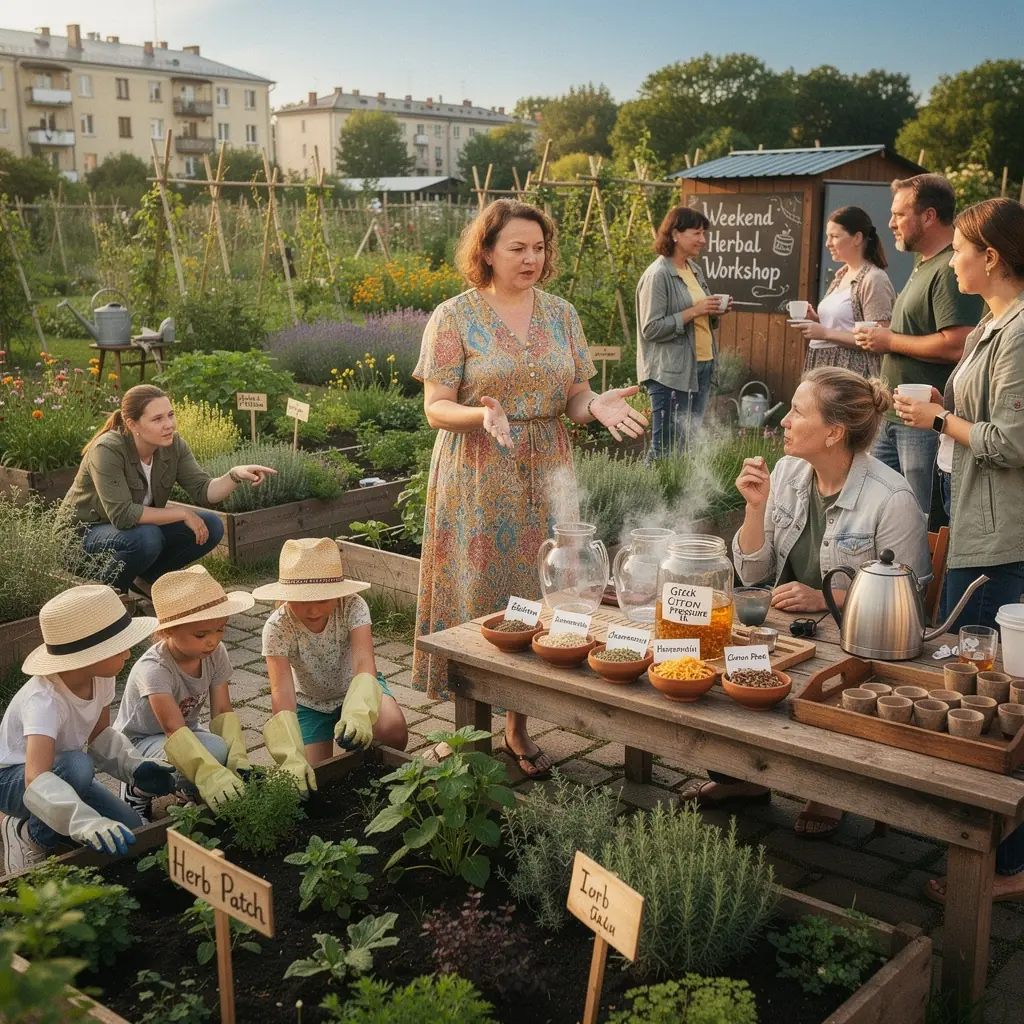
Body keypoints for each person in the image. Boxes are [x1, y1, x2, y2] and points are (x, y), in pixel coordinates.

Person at [413, 198, 647, 777]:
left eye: (538, 248)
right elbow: (436, 409)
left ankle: (518, 727)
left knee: (541, 588)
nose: (531, 258)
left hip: (548, 469)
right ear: (486, 251)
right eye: (517, 247)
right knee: (479, 589)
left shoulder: (563, 314)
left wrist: (595, 404)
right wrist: (482, 417)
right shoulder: (455, 315)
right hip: (477, 468)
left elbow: (573, 397)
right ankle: (470, 730)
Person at [682, 367, 930, 839]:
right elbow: (753, 575)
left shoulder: (891, 498)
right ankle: (742, 779)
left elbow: (908, 603)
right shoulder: (789, 472)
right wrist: (755, 508)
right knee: (711, 661)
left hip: (853, 645)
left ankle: (828, 790)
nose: (785, 421)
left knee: (822, 684)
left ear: (834, 432)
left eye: (797, 411)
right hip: (782, 632)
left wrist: (825, 595)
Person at [892, 198, 1024, 905]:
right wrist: (947, 404)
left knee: (1002, 696)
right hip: (976, 521)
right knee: (971, 679)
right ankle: (985, 838)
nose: (954, 261)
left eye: (963, 248)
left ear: (992, 256)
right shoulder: (994, 326)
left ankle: (1009, 863)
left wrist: (940, 417)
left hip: (1007, 537)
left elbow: (1012, 442)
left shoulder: (1023, 331)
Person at [0, 585, 173, 872]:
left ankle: (58, 822)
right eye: (120, 647)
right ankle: (30, 837)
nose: (128, 654)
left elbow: (99, 737)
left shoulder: (102, 677)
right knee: (79, 766)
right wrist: (83, 820)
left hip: (64, 774)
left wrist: (135, 767)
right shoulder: (44, 699)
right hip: (13, 782)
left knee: (128, 828)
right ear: (88, 655)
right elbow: (35, 778)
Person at [62, 384, 276, 597]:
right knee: (147, 537)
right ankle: (110, 596)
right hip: (82, 536)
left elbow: (204, 490)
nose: (169, 425)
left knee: (211, 525)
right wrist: (183, 513)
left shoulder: (173, 445)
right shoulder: (108, 449)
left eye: (170, 415)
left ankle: (148, 579)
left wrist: (235, 475)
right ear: (132, 423)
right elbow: (123, 515)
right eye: (157, 419)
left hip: (129, 532)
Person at [855, 174, 983, 516]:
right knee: (884, 510)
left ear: (928, 216)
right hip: (897, 416)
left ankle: (919, 573)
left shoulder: (948, 270)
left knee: (918, 516)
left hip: (924, 423)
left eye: (899, 214)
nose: (890, 222)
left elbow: (957, 344)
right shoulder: (925, 263)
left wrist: (888, 340)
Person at [255, 537, 408, 786]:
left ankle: (357, 759)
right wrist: (290, 752)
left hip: (359, 688)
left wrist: (358, 712)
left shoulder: (353, 606)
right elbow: (281, 693)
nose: (313, 610)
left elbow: (364, 663)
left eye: (322, 600)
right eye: (303, 601)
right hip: (310, 702)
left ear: (338, 594)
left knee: (393, 732)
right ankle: (345, 754)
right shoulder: (277, 627)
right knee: (316, 776)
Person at [113, 565, 256, 817]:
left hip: (184, 732)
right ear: (168, 630)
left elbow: (222, 710)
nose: (213, 641)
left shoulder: (215, 653)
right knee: (206, 756)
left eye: (220, 628)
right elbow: (173, 729)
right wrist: (209, 773)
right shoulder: (155, 668)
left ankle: (187, 789)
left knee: (221, 750)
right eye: (200, 634)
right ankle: (137, 789)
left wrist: (238, 758)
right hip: (139, 742)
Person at [636, 205, 729, 460]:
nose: (703, 240)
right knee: (663, 447)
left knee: (686, 445)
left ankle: (677, 498)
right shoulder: (658, 274)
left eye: (704, 233)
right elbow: (651, 328)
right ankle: (647, 497)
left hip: (701, 366)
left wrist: (711, 311)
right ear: (676, 234)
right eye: (697, 233)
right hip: (670, 373)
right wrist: (695, 311)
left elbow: (698, 316)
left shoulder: (693, 270)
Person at [801, 206, 896, 377]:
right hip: (827, 369)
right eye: (827, 236)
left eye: (835, 236)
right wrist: (816, 319)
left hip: (850, 374)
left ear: (857, 238)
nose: (827, 243)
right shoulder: (841, 275)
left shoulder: (874, 279)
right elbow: (844, 324)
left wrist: (824, 333)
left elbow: (878, 339)